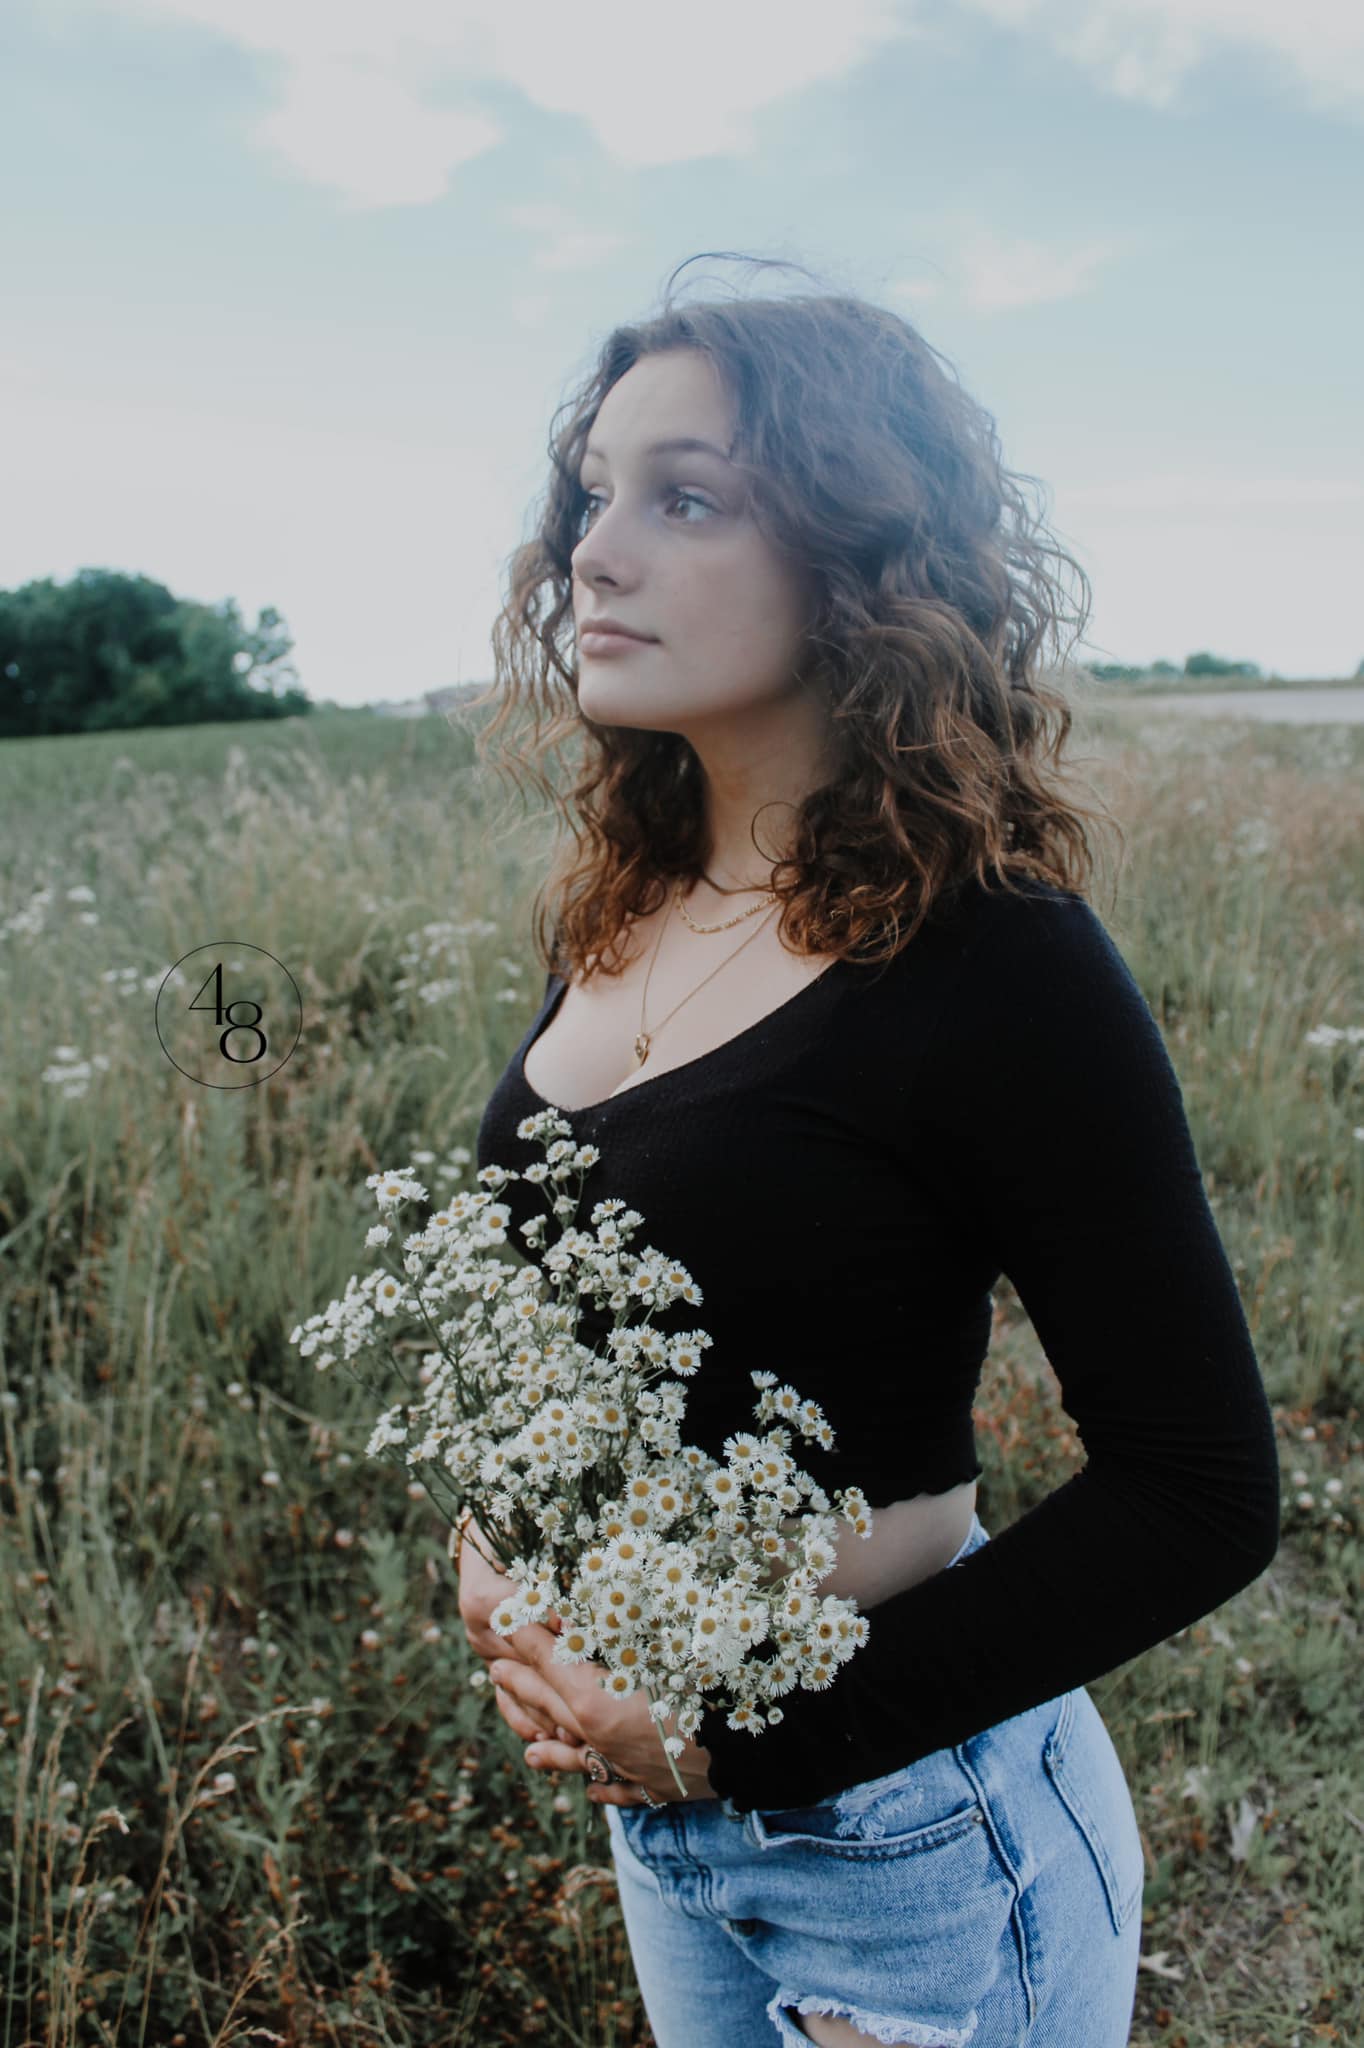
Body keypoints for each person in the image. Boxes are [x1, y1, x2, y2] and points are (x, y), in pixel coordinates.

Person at [455, 253, 1280, 2047]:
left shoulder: (996, 960)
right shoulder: (623, 906)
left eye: (686, 500)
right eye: (597, 495)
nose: (594, 552)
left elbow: (1202, 1495)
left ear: (858, 555)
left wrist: (734, 1732)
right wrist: (502, 1535)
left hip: (915, 1840)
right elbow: (605, 1313)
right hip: (667, 1836)